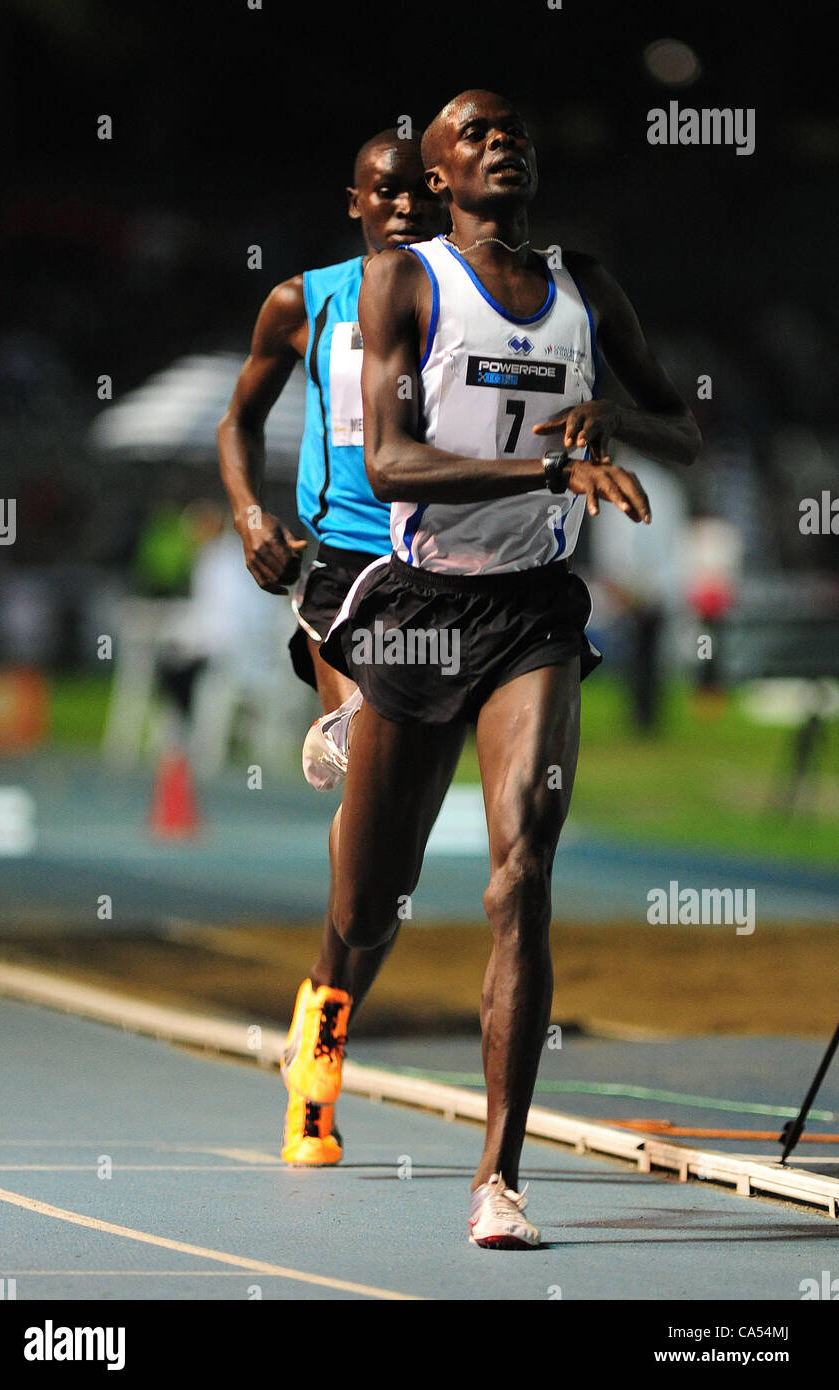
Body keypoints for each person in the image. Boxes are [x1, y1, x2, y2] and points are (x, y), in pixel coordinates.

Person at [317, 89, 701, 1246]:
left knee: (518, 873)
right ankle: (321, 1042)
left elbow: (682, 423)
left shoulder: (588, 287)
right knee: (369, 902)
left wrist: (611, 423)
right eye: (474, 133)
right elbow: (388, 463)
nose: (503, 142)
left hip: (533, 613)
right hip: (418, 610)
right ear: (438, 176)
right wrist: (546, 476)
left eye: (515, 129)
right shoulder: (407, 284)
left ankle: (497, 1178)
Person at [217, 131, 444, 1167]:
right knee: (365, 767)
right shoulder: (305, 301)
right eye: (382, 194)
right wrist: (247, 512)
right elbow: (238, 419)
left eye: (416, 194)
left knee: (387, 871)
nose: (401, 209)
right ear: (353, 199)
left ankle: (324, 1008)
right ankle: (345, 729)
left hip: (447, 573)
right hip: (340, 565)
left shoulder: (464, 300)